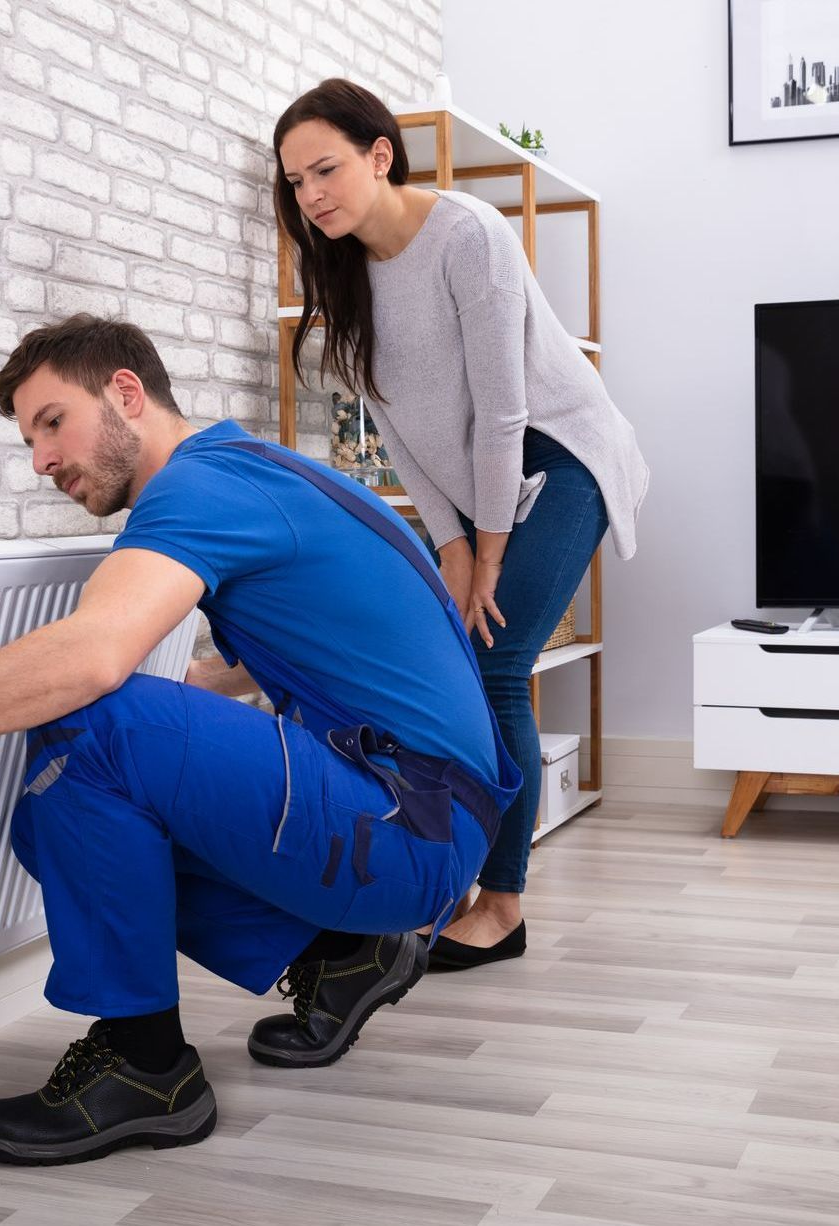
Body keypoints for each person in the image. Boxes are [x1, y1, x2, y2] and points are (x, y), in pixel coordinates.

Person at [0, 315, 520, 1166]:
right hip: (427, 812)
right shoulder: (254, 473)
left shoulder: (199, 489)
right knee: (55, 811)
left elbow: (93, 658)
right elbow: (316, 656)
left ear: (125, 393)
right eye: (29, 438)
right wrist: (199, 696)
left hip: (410, 827)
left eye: (51, 422)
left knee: (93, 728)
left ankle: (148, 1068)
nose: (40, 459)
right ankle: (339, 956)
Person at [274, 80, 649, 969]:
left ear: (379, 154)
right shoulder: (341, 272)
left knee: (498, 661)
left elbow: (503, 410)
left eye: (324, 169)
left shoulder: (470, 234)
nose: (311, 194)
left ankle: (504, 906)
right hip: (482, 487)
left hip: (561, 456)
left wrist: (489, 551)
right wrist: (450, 546)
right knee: (468, 663)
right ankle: (472, 885)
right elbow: (397, 428)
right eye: (294, 183)